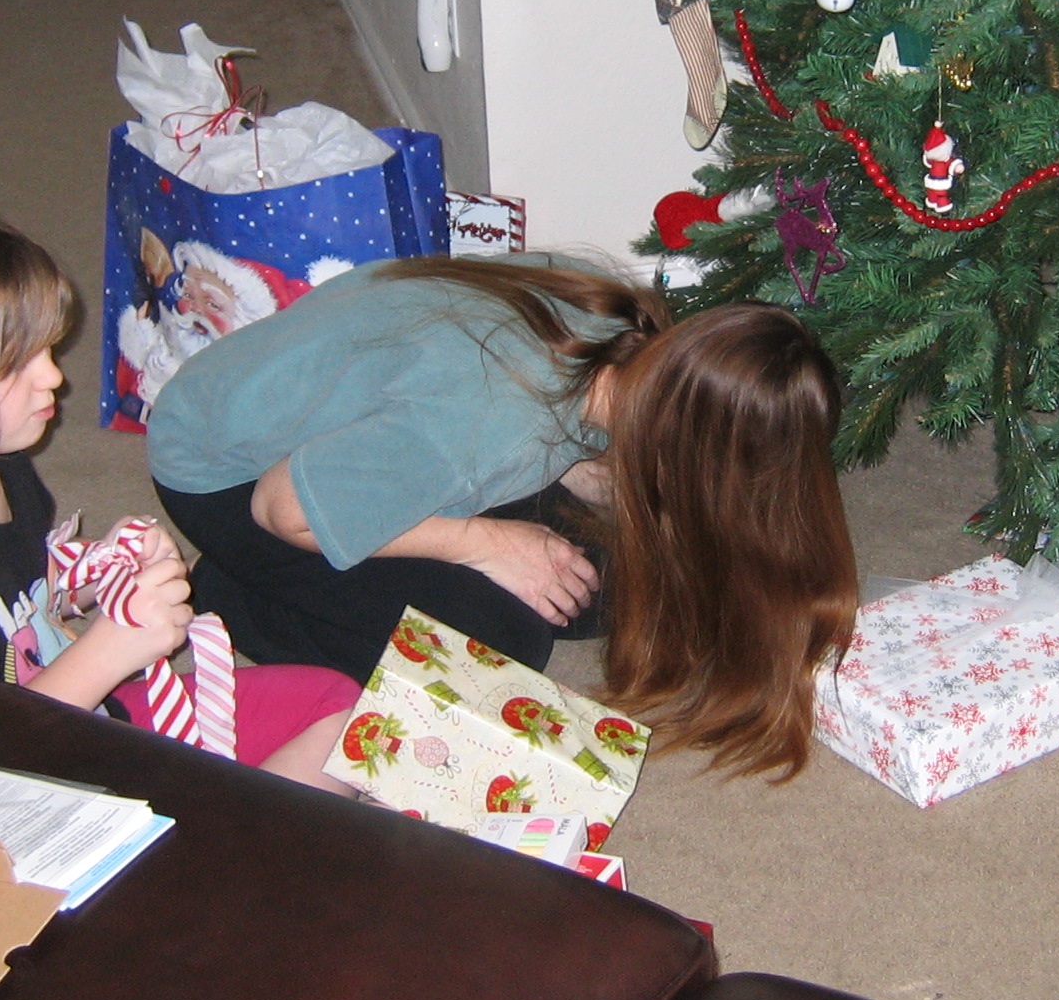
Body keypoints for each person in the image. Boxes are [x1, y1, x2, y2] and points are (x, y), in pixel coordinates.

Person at [145, 254, 857, 779]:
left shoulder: (619, 326)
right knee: (499, 641)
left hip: (346, 425)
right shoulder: (494, 424)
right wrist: (482, 541)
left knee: (598, 581)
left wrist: (575, 469)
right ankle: (234, 596)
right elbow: (283, 508)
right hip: (231, 483)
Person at [0, 206, 360, 791]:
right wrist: (110, 652)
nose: (53, 377)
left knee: (343, 714)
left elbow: (4, 591)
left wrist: (92, 572)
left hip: (71, 716)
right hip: (13, 790)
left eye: (47, 349)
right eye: (17, 363)